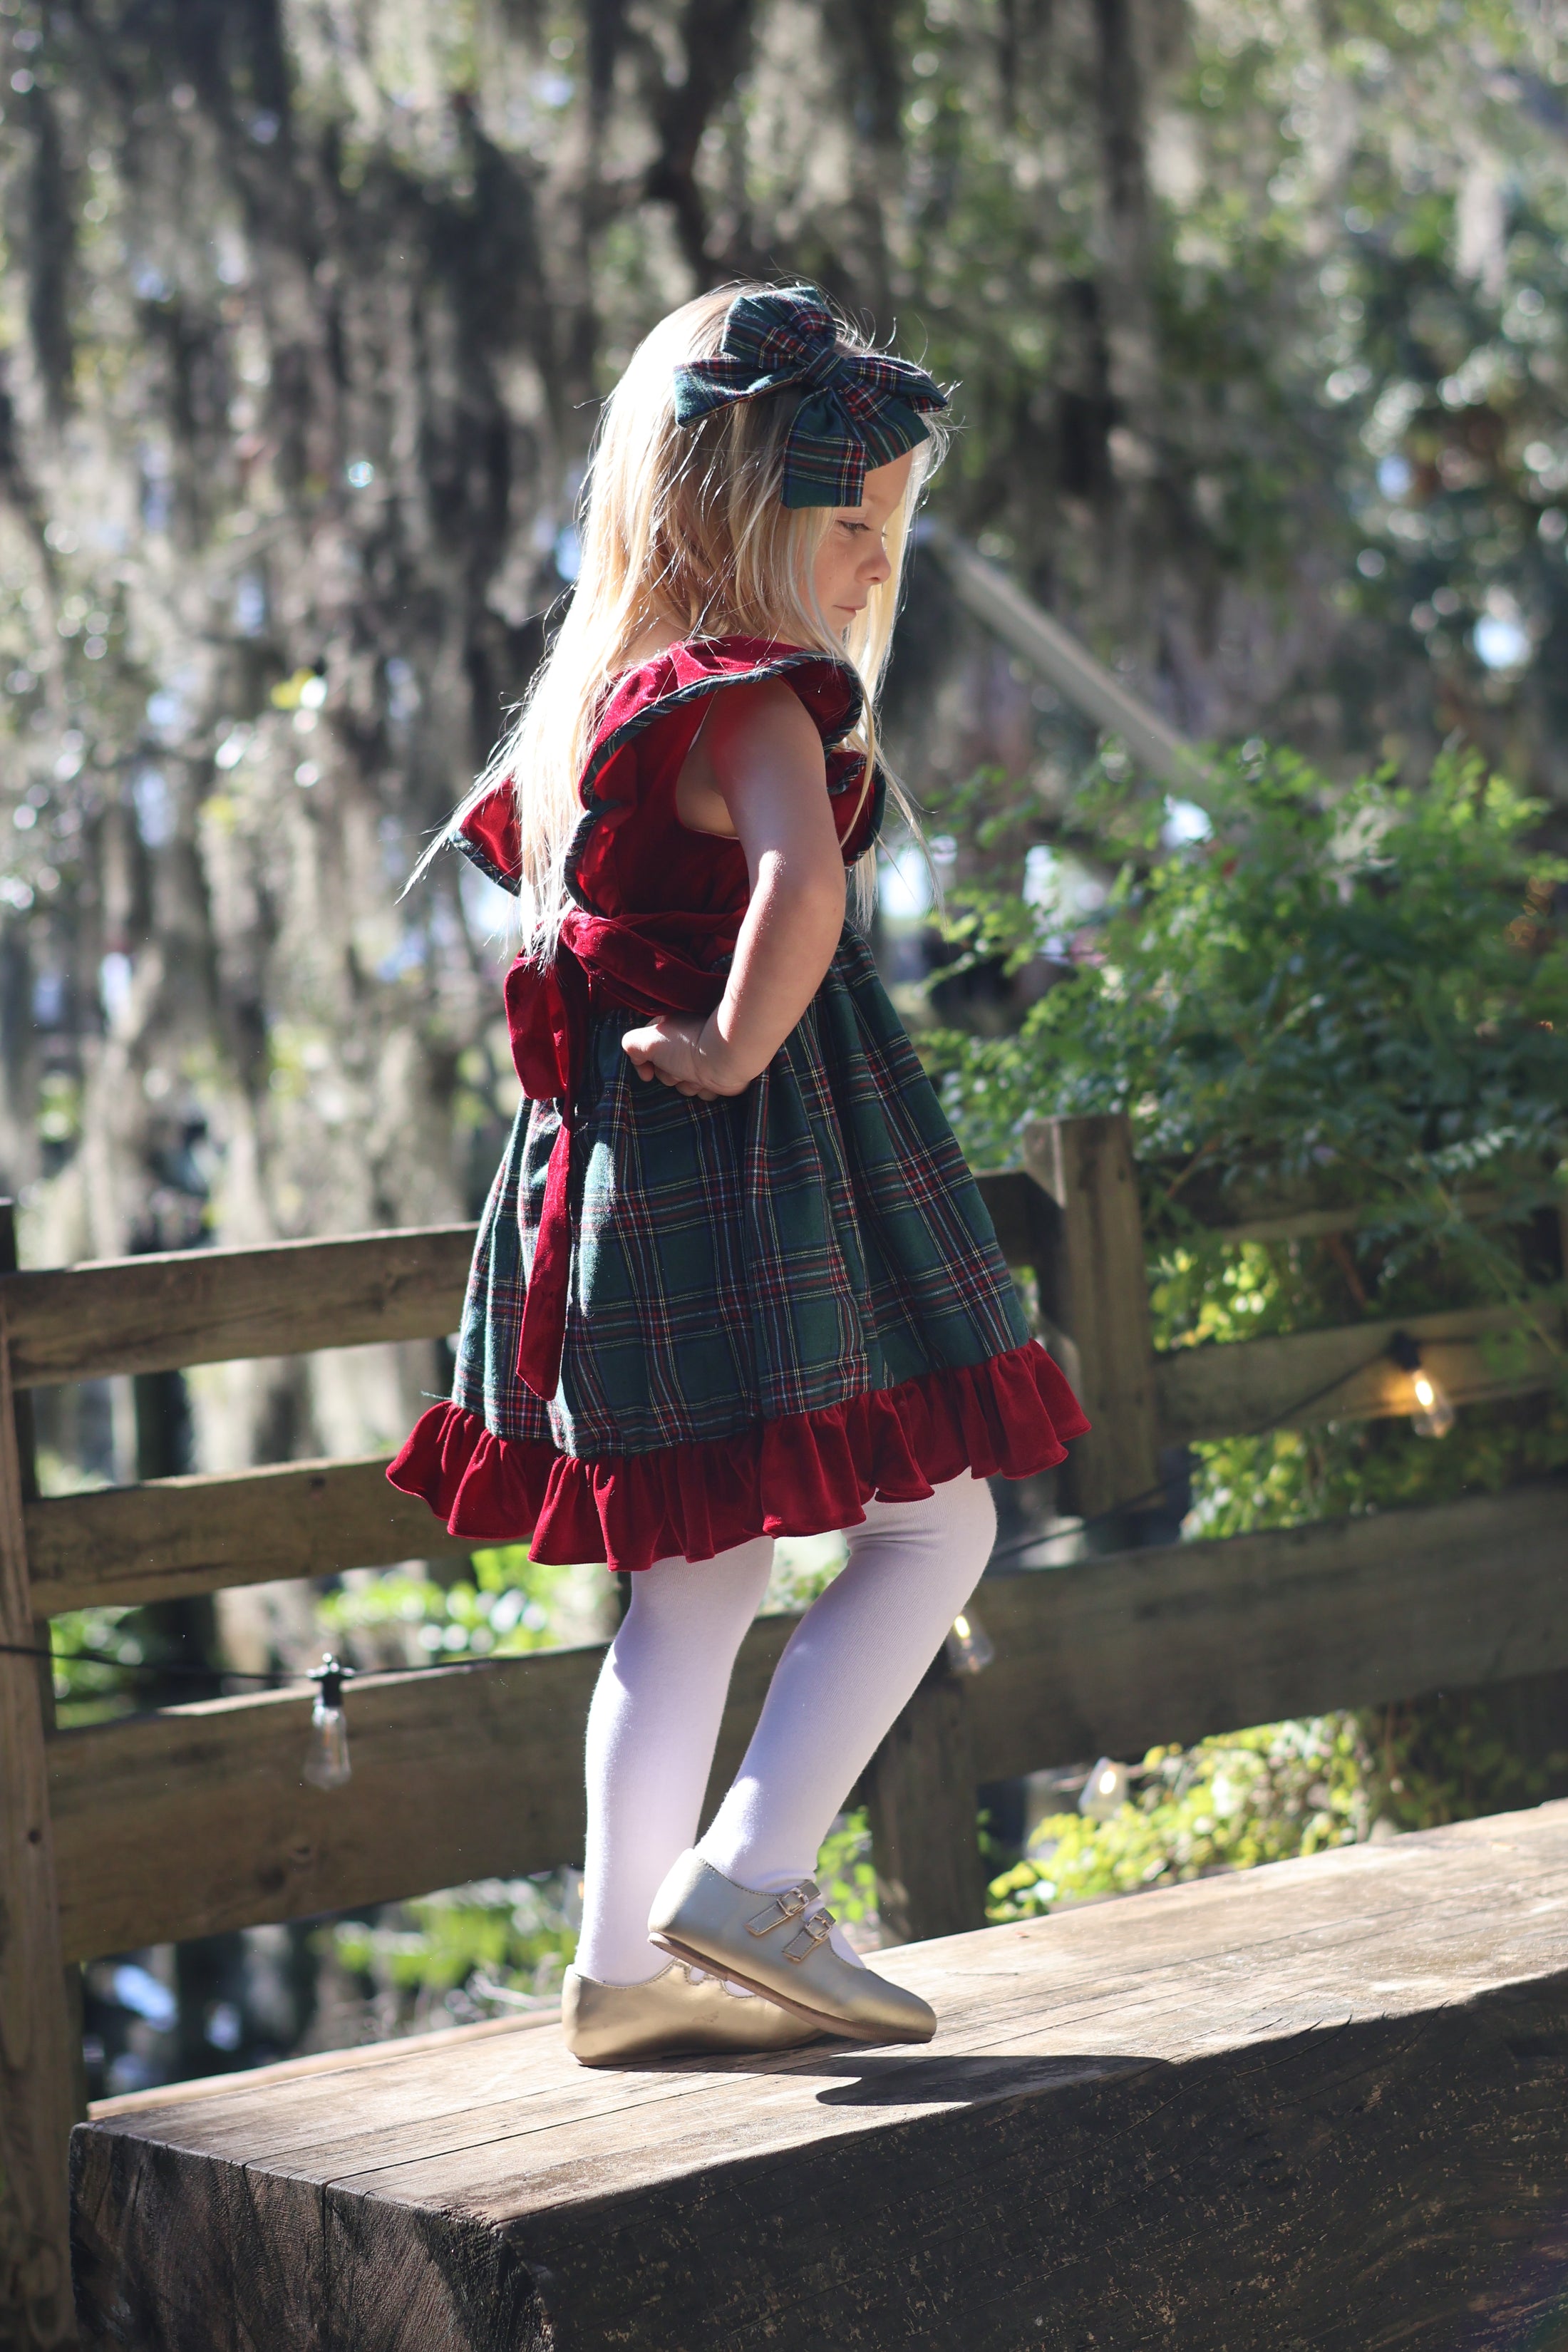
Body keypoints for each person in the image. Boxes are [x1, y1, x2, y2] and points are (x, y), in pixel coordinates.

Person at [389, 282, 1088, 2066]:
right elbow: (808, 886)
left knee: (691, 1579)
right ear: (717, 507)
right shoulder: (750, 700)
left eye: (884, 521)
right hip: (749, 1182)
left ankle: (621, 1968)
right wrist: (739, 1045)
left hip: (625, 1208)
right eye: (838, 515)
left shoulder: (603, 714)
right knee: (940, 1521)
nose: (869, 558)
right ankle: (756, 1874)